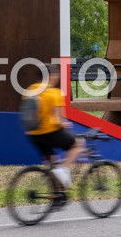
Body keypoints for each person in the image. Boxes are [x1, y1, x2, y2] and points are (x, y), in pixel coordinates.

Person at [24, 63, 84, 191]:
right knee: (78, 143)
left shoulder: (29, 90)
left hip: (34, 135)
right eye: (56, 74)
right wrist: (66, 124)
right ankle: (64, 169)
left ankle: (56, 196)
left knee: (52, 166)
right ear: (50, 76)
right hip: (50, 132)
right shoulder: (55, 93)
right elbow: (58, 120)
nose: (57, 77)